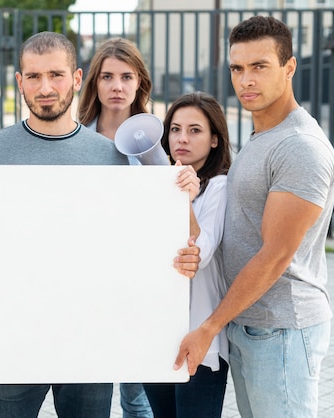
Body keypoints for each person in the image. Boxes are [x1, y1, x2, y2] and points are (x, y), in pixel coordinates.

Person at [0, 31, 202, 418]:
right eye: (34, 77)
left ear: (76, 78)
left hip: (90, 342)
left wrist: (180, 215)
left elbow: (146, 244)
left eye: (56, 75)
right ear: (19, 82)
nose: (46, 87)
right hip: (10, 344)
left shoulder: (111, 157)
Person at [173, 16, 334, 418]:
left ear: (289, 67)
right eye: (237, 68)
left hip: (281, 328)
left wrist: (210, 327)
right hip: (249, 324)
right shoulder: (262, 138)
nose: (246, 79)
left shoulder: (299, 146)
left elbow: (275, 255)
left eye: (260, 66)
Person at [77, 37, 155, 418]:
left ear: (140, 81)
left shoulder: (156, 139)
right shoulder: (73, 137)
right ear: (94, 83)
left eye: (126, 76)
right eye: (107, 77)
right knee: (87, 390)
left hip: (137, 279)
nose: (117, 86)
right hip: (86, 278)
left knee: (137, 398)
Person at [143, 92, 232, 418]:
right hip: (156, 338)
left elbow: (199, 253)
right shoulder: (155, 184)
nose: (182, 138)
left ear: (213, 140)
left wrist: (185, 198)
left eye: (195, 130)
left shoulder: (221, 187)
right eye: (175, 129)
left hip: (199, 342)